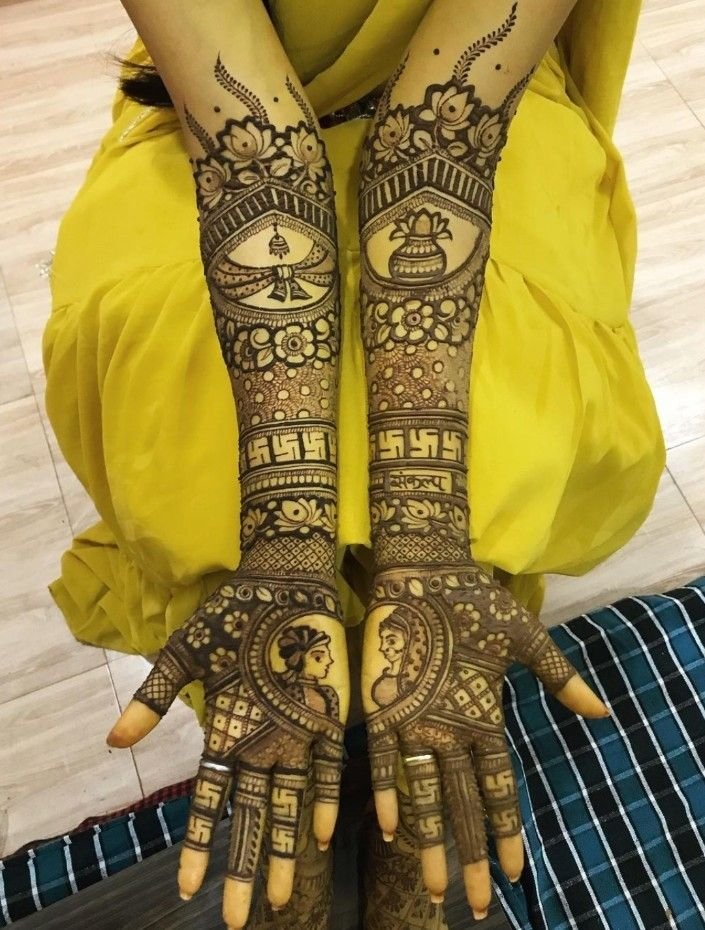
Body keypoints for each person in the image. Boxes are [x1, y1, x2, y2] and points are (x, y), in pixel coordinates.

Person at [42, 1, 664, 928]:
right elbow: (251, 150)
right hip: (216, 103)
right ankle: (288, 772)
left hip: (487, 102)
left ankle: (413, 782)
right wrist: (286, 540)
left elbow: (442, 134)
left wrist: (426, 538)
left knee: (507, 432)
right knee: (182, 414)